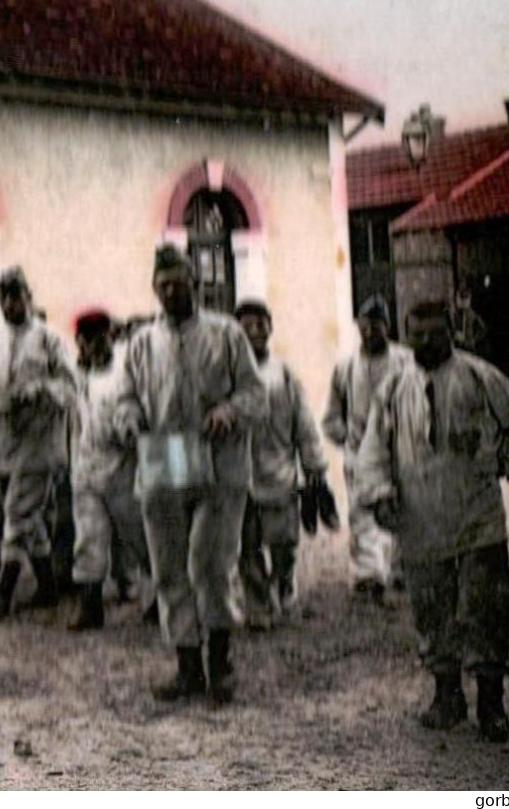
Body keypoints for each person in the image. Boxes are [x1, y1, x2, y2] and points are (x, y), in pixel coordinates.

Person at [356, 299, 509, 743]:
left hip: (476, 516)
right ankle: (447, 695)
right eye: (417, 334)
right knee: (433, 610)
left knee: (486, 608)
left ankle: (491, 704)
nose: (426, 341)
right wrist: (379, 494)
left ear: (451, 332)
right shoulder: (395, 387)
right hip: (420, 520)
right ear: (407, 334)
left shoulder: (478, 375)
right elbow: (373, 449)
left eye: (435, 333)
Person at [116, 245, 264, 706]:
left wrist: (229, 410)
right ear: (154, 289)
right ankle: (187, 665)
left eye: (179, 283)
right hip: (163, 462)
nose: (172, 292)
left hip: (218, 467)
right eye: (163, 285)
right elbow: (125, 399)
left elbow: (256, 395)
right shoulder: (141, 344)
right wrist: (128, 419)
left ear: (194, 284)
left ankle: (220, 662)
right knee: (169, 566)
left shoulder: (226, 335)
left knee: (210, 563)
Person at [0, 266, 80, 618]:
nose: (12, 304)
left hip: (40, 441)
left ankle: (3, 591)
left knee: (16, 511)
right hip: (5, 439)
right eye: (5, 298)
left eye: (18, 296)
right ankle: (47, 587)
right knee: (26, 517)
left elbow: (70, 387)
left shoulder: (49, 339)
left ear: (30, 297)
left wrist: (40, 389)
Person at [233, 300, 327, 630]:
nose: (255, 331)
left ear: (270, 329)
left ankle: (284, 582)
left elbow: (304, 422)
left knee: (284, 541)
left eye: (261, 324)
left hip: (280, 472)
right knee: (246, 545)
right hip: (241, 475)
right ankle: (258, 605)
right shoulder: (229, 375)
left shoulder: (284, 374)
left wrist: (314, 464)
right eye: (247, 325)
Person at [322, 296, 409, 601]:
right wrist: (346, 439)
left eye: (376, 326)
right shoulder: (346, 367)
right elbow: (331, 416)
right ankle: (368, 574)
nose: (370, 333)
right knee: (361, 514)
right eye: (364, 327)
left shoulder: (405, 362)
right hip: (359, 453)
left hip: (399, 450)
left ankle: (402, 570)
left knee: (403, 509)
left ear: (388, 325)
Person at [68, 310, 150, 632]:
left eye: (101, 339)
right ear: (79, 342)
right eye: (87, 341)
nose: (94, 347)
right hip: (85, 466)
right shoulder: (74, 376)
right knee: (88, 536)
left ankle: (159, 598)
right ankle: (90, 605)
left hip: (121, 466)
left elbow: (130, 411)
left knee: (137, 535)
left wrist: (128, 430)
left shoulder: (122, 375)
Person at [450, 285, 489, 357]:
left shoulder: (471, 314)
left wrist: (474, 339)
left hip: (468, 345)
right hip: (459, 344)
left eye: (464, 299)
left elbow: (483, 328)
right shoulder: (456, 314)